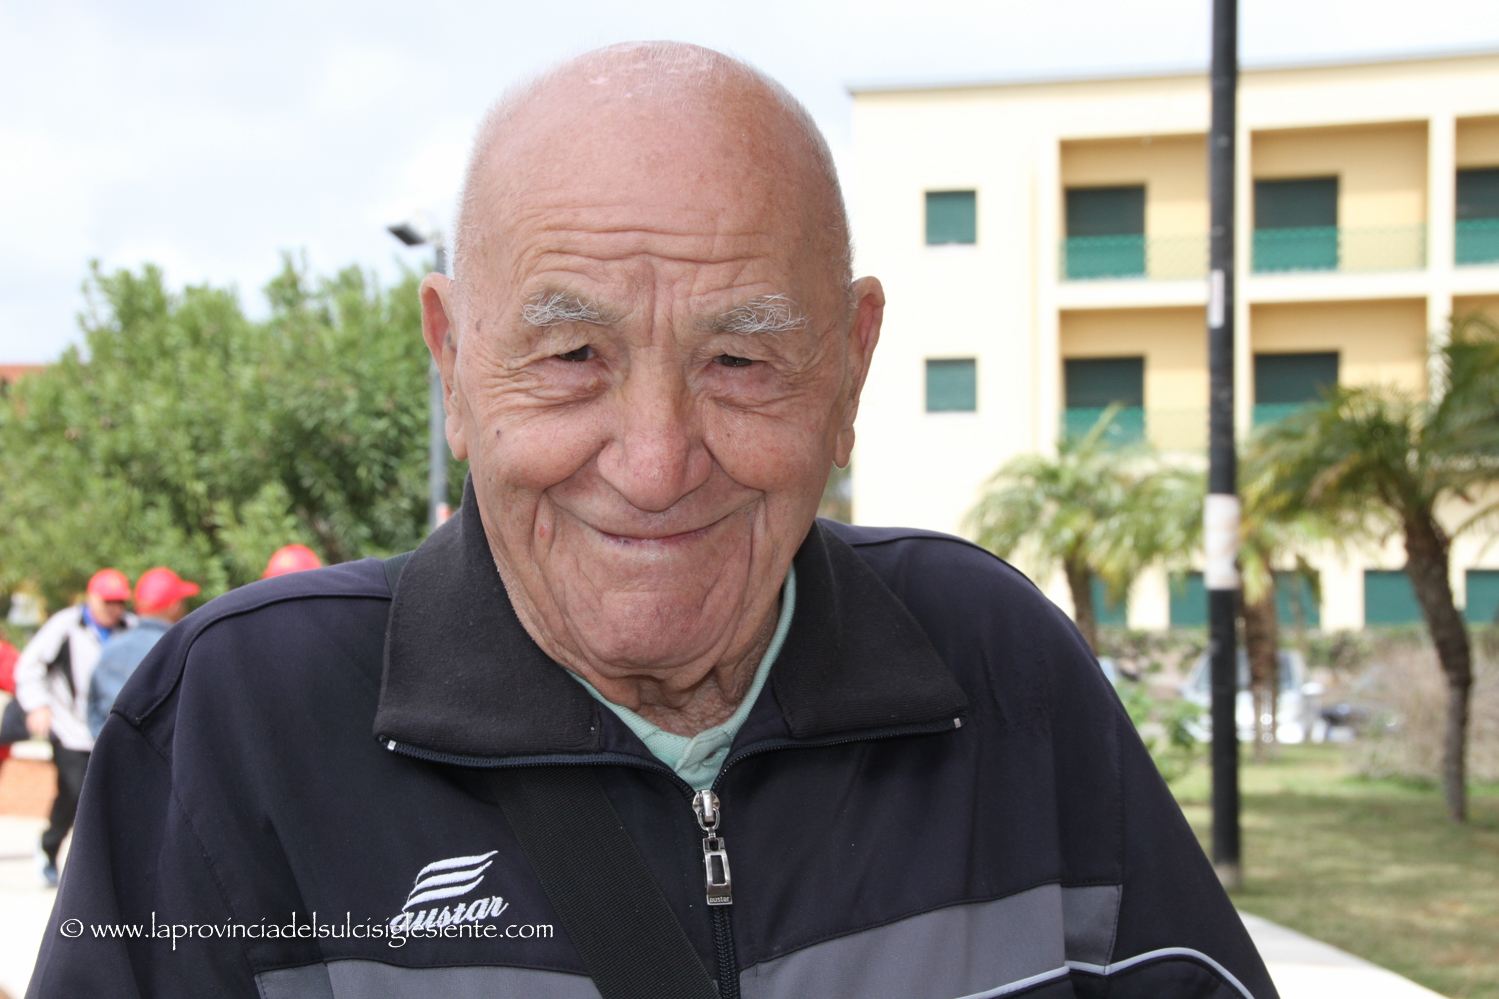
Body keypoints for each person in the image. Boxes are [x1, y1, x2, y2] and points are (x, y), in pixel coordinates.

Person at [34, 44, 1276, 998]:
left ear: (848, 372)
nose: (654, 463)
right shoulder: (231, 722)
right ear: (453, 364)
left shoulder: (997, 671)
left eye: (738, 359)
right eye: (572, 354)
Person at [14, 568, 134, 887]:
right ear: (91, 598)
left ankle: (93, 866)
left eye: (119, 601)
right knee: (78, 792)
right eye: (108, 601)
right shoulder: (64, 626)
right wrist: (37, 704)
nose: (114, 608)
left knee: (108, 798)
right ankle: (55, 851)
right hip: (72, 729)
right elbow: (28, 667)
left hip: (111, 731)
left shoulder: (131, 628)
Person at [86, 568, 199, 739]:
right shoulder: (185, 649)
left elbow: (93, 712)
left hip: (115, 749)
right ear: (175, 606)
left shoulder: (110, 648)